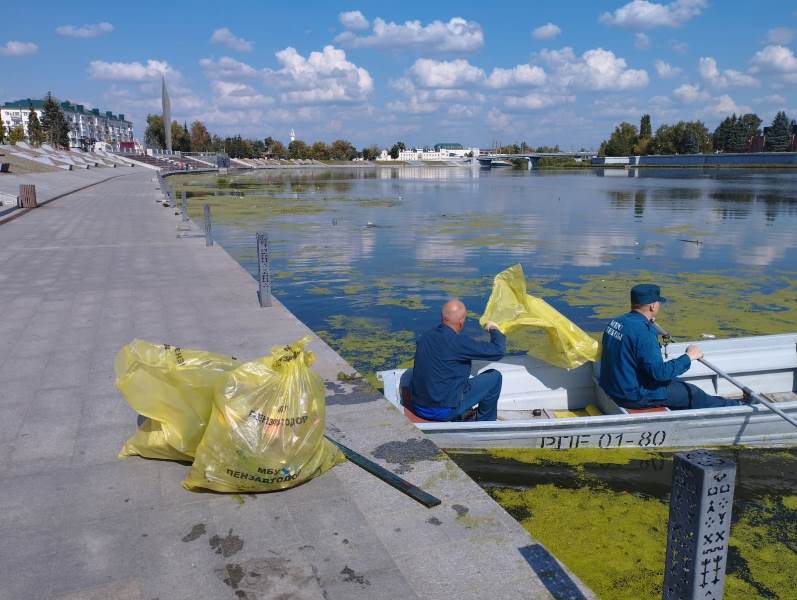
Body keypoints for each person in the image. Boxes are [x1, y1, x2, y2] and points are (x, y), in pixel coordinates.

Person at [599, 283, 741, 410]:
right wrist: (689, 356)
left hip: (614, 388)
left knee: (676, 384)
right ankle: (737, 407)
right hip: (633, 396)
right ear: (652, 306)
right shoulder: (644, 332)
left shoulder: (616, 322)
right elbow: (660, 373)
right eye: (658, 303)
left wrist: (648, 323)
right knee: (691, 392)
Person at [409, 299, 506, 421]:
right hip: (442, 411)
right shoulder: (459, 342)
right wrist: (493, 329)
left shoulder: (425, 336)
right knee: (494, 377)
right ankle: (485, 422)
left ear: (443, 316)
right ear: (461, 321)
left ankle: (462, 414)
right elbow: (498, 351)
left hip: (419, 406)